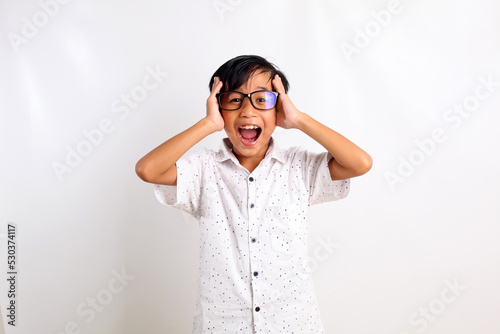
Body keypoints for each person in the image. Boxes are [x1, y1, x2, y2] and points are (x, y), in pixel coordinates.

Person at [135, 55, 372, 333]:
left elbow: (360, 163)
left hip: (293, 323)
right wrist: (208, 124)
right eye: (234, 100)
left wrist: (299, 120)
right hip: (222, 324)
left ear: (279, 109)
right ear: (218, 107)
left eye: (261, 100)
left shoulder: (299, 166)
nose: (247, 111)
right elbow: (148, 169)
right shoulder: (204, 169)